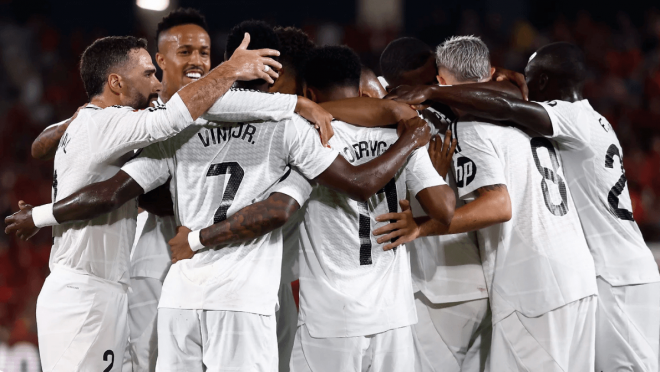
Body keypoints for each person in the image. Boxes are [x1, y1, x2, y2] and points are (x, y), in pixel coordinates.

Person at [6, 21, 432, 371]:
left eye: (204, 53)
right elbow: (310, 196)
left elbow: (118, 189)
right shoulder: (273, 123)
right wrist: (408, 131)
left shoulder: (183, 125)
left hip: (183, 288)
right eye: (181, 54)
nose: (194, 62)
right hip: (220, 290)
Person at [2, 32, 283, 371]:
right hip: (86, 295)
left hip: (95, 290)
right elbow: (171, 119)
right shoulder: (109, 122)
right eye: (148, 73)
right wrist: (230, 70)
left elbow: (38, 147)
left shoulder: (88, 121)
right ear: (116, 82)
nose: (157, 82)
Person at [387, 41, 660, 372]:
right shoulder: (540, 126)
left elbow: (498, 205)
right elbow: (509, 103)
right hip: (584, 278)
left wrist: (421, 225)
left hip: (539, 287)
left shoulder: (476, 127)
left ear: (441, 83)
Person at [287, 45, 454, 372]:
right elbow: (445, 209)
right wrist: (416, 224)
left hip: (330, 319)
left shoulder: (306, 135)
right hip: (394, 317)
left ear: (308, 94)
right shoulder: (404, 134)